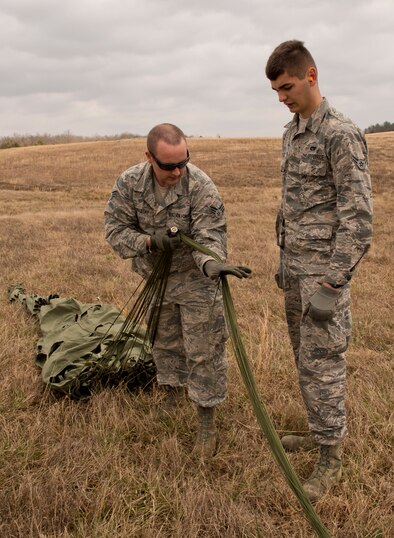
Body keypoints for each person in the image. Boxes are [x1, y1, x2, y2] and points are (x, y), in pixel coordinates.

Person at [265, 41, 372, 501]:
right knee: (304, 361)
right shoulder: (292, 132)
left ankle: (331, 457)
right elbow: (293, 204)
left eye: (286, 86)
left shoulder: (340, 134)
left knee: (324, 365)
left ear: (311, 75)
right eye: (275, 90)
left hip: (324, 279)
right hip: (296, 273)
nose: (282, 97)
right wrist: (285, 259)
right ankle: (317, 431)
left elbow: (358, 218)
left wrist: (332, 282)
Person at [104, 123, 251, 458]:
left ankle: (206, 422)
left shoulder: (200, 185)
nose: (177, 171)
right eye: (168, 165)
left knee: (203, 350)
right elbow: (114, 230)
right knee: (164, 342)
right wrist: (149, 241)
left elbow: (210, 234)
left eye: (183, 161)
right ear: (149, 157)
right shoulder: (129, 183)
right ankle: (172, 396)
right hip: (157, 281)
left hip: (197, 280)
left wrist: (211, 264)